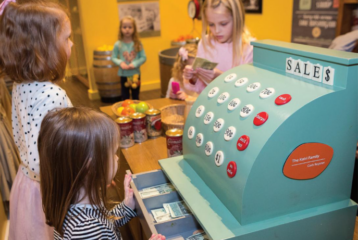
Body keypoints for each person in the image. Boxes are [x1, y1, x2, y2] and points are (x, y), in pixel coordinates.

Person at [0, 1, 73, 239]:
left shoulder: (20, 85)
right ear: (44, 48)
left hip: (26, 185)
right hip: (48, 192)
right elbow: (47, 160)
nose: (72, 44)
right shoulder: (53, 95)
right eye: (67, 38)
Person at [38, 107, 165, 240]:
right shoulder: (85, 228)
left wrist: (126, 207)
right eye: (113, 153)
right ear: (91, 166)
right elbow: (99, 228)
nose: (116, 158)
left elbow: (106, 226)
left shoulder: (79, 202)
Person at [183, 0, 255, 94]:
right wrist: (193, 78)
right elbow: (201, 90)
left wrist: (220, 77)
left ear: (237, 18)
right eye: (211, 24)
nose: (216, 31)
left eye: (223, 23)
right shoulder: (205, 43)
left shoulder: (249, 48)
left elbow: (248, 90)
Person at [111, 16, 147, 100]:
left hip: (135, 75)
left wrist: (134, 64)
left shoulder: (138, 43)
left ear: (134, 29)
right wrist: (121, 63)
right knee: (125, 96)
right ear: (120, 29)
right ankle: (126, 112)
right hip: (123, 75)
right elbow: (113, 57)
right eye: (124, 27)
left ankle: (136, 112)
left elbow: (143, 57)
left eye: (130, 27)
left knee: (135, 96)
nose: (127, 29)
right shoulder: (118, 44)